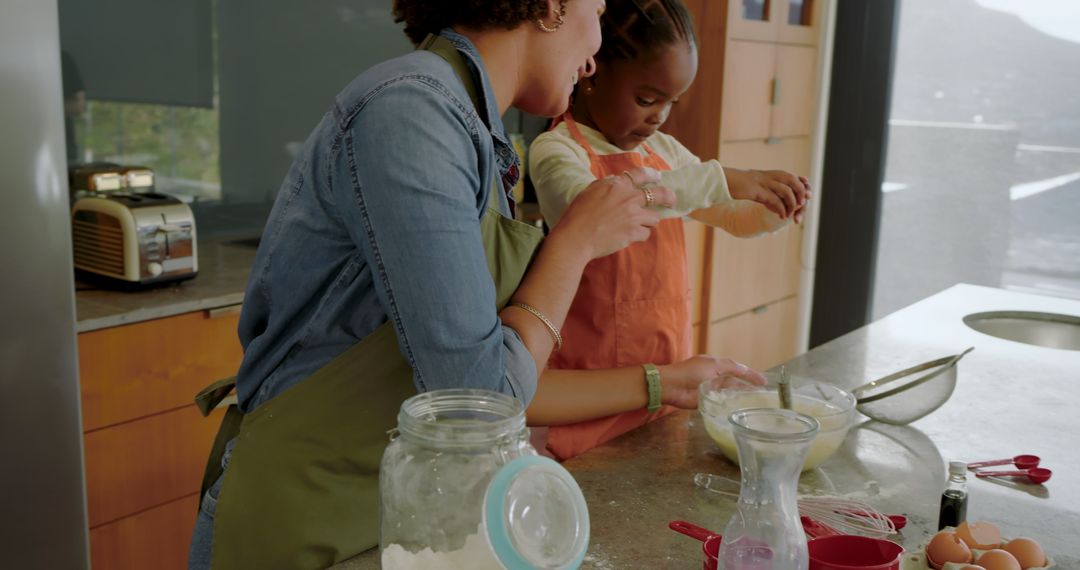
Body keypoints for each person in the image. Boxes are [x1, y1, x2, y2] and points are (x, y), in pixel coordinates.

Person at [187, 1, 768, 568]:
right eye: (596, 11)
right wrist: (575, 242)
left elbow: (502, 371)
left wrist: (666, 382)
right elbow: (484, 400)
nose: (594, 55)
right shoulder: (412, 113)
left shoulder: (477, 135)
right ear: (551, 7)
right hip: (305, 526)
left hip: (390, 519)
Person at [527, 0, 812, 461]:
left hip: (665, 380)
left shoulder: (665, 152)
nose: (659, 115)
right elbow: (591, 207)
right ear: (591, 72)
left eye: (670, 102)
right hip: (588, 388)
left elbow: (730, 214)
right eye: (647, 99)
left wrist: (772, 208)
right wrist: (723, 176)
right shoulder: (557, 150)